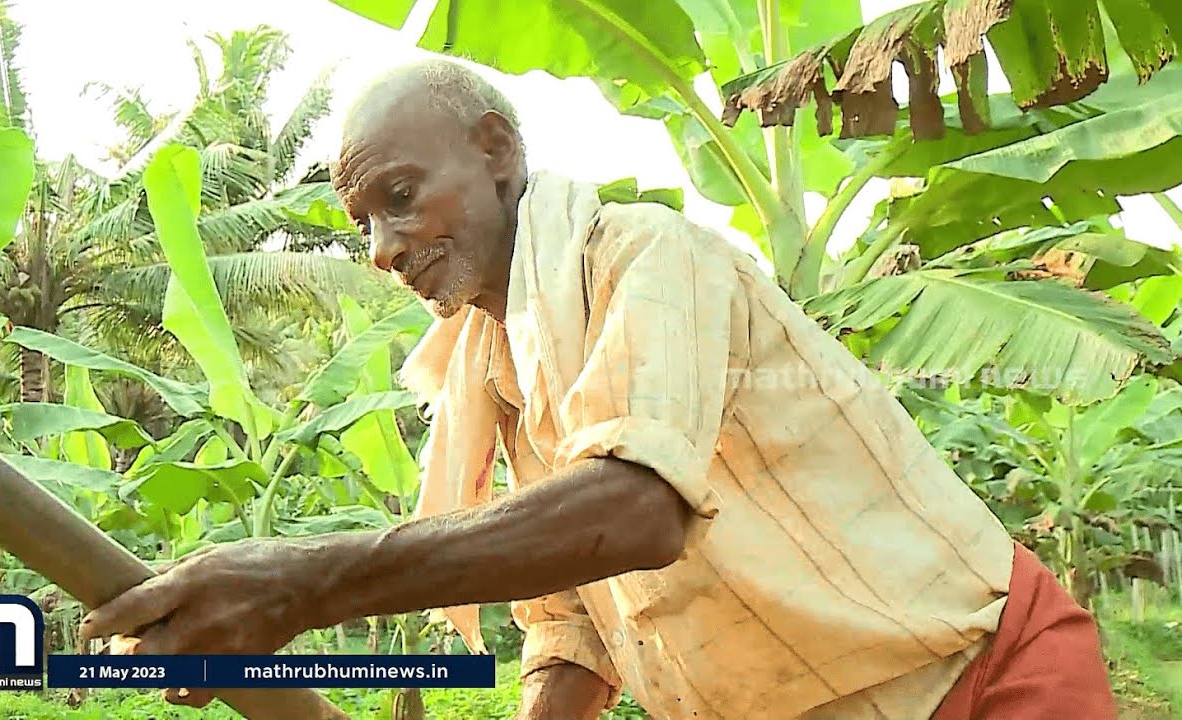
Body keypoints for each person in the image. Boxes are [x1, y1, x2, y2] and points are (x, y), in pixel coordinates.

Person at [80, 58, 1119, 719]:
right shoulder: (496, 373)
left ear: (495, 153)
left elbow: (634, 511)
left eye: (401, 199)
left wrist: (298, 583)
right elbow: (572, 619)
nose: (384, 249)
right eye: (363, 223)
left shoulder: (648, 258)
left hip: (981, 679)